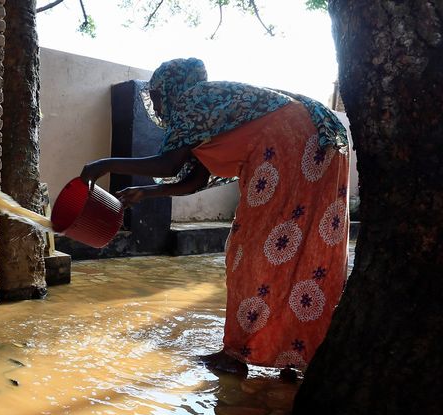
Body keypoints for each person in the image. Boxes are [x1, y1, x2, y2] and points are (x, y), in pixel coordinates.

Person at [80, 58, 350, 378]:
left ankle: (236, 354)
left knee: (248, 250)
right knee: (304, 249)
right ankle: (295, 351)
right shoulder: (213, 114)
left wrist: (104, 165)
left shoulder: (193, 100)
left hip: (291, 141)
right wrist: (148, 194)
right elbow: (193, 181)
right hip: (326, 140)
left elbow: (167, 165)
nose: (156, 104)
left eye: (156, 96)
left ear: (171, 88)